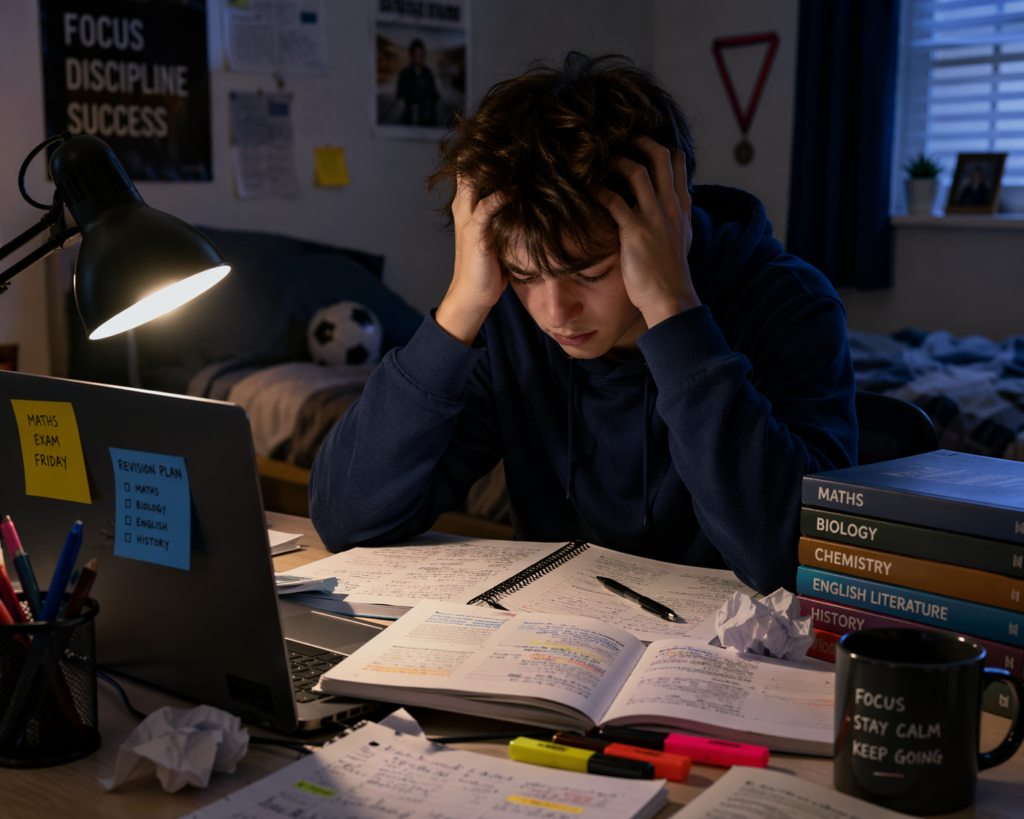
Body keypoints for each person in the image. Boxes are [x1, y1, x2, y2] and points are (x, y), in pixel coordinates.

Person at [310, 53, 857, 593]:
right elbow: (347, 521)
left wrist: (673, 311)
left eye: (590, 273)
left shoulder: (792, 304)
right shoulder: (504, 314)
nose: (553, 314)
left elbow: (791, 560)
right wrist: (462, 305)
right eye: (525, 275)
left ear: (672, 222)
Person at [396, 38, 439, 127]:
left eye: (422, 54)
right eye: (417, 55)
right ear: (411, 55)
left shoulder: (427, 73)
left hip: (426, 118)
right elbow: (400, 95)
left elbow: (433, 94)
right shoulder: (405, 74)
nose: (420, 58)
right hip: (409, 117)